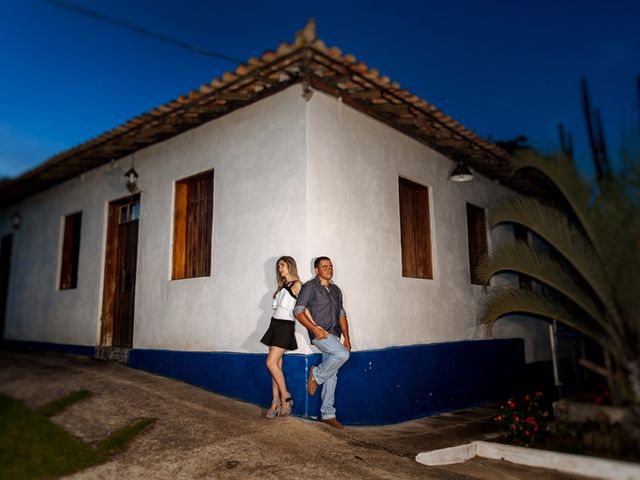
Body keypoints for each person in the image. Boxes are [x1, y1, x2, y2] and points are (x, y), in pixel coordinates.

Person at [294, 256, 351, 429]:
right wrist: (314, 329)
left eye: (331, 266)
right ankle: (317, 374)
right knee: (342, 355)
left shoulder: (336, 290)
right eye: (325, 266)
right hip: (320, 334)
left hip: (335, 334)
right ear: (317, 270)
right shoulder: (309, 287)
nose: (329, 269)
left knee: (332, 373)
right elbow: (298, 311)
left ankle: (328, 414)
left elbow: (341, 314)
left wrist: (347, 338)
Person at [260, 256, 301, 418]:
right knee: (275, 365)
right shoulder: (283, 285)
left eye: (282, 265)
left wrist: (315, 326)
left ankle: (285, 396)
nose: (279, 269)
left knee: (270, 363)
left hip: (285, 326)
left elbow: (304, 308)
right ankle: (274, 402)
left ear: (290, 266)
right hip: (274, 324)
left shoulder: (298, 285)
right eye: (278, 266)